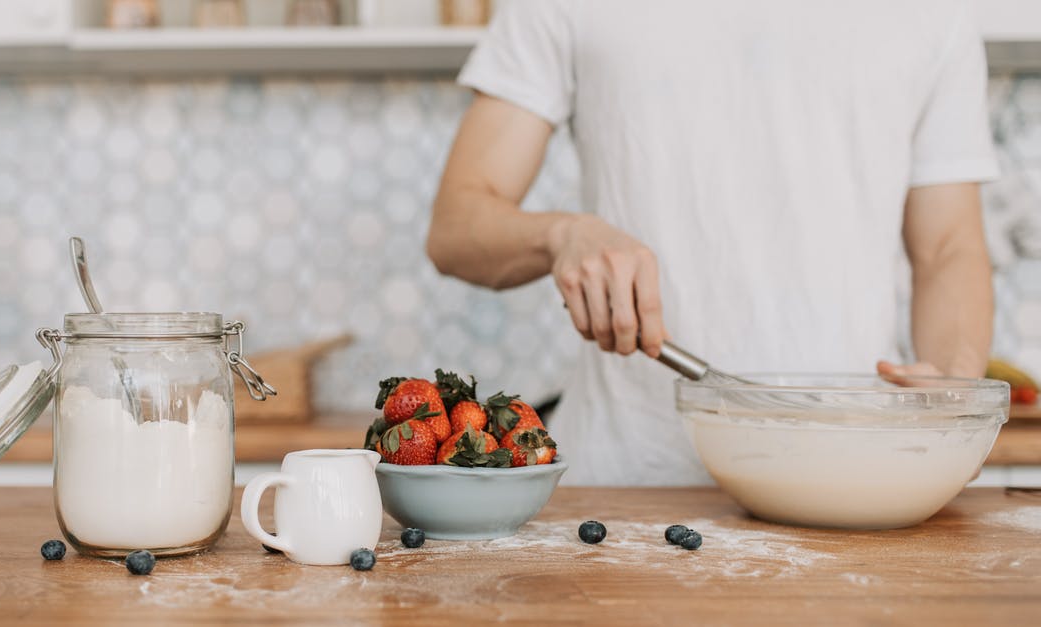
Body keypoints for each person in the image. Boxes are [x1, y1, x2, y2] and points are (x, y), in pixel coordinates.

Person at [427, 0, 997, 485]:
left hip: (848, 477)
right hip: (627, 484)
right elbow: (456, 226)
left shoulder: (935, 13)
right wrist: (561, 234)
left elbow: (947, 248)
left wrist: (957, 392)